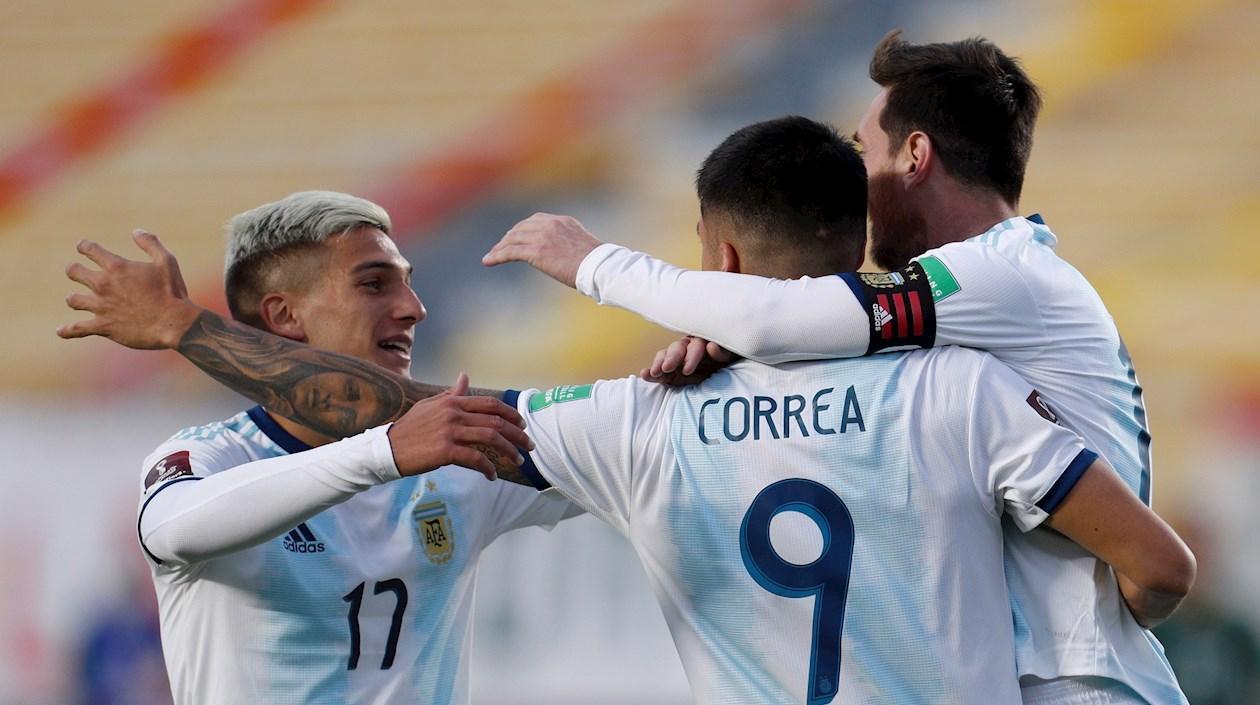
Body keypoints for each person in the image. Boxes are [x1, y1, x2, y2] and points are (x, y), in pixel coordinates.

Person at [60, 120, 1193, 705]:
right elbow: (1158, 570)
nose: (416, 303)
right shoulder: (966, 387)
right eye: (376, 283)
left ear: (726, 258)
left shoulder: (637, 423)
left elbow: (432, 420)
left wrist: (193, 337)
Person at [483, 32, 1189, 705]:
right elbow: (782, 330)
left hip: (1080, 680)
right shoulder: (973, 312)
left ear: (916, 155)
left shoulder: (998, 276)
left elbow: (775, 315)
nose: (858, 179)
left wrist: (595, 264)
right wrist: (726, 346)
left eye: (865, 149)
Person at [68, 191, 578, 705]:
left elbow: (619, 444)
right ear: (285, 316)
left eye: (408, 283)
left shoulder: (457, 456)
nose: (413, 309)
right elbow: (171, 528)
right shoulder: (212, 454)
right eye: (374, 284)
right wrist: (383, 453)